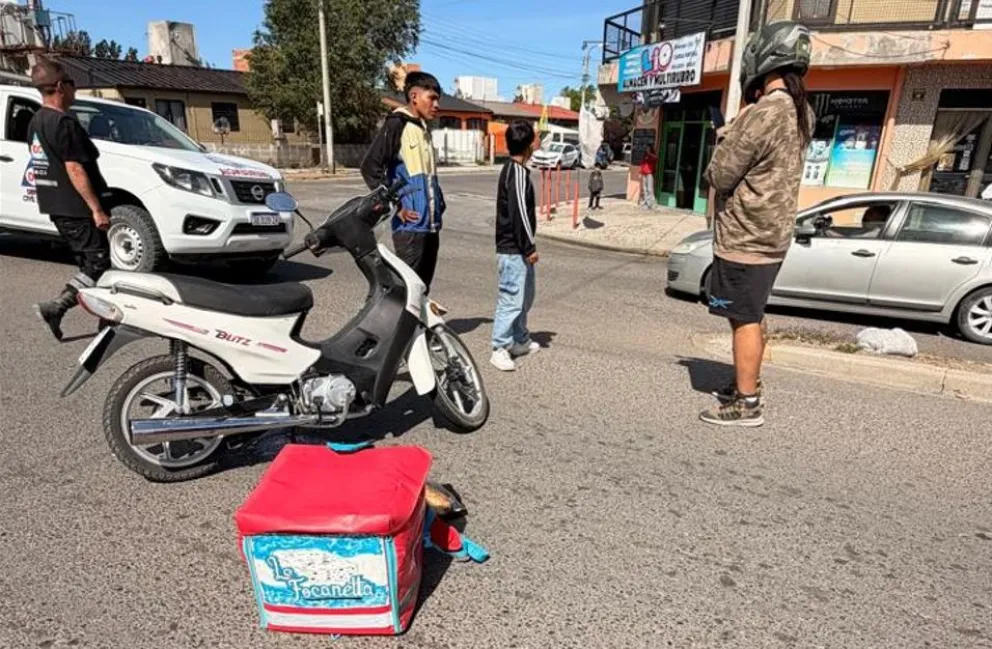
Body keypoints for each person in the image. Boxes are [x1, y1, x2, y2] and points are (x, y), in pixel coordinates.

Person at [700, 21, 815, 427]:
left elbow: (720, 175)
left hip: (745, 235)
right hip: (772, 234)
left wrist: (729, 132)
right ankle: (749, 382)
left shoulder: (765, 112)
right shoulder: (802, 111)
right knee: (753, 314)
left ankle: (746, 402)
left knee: (743, 319)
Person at [29, 57, 113, 341]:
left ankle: (106, 319)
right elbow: (74, 168)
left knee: (89, 264)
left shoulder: (35, 121)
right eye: (72, 84)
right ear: (61, 86)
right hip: (77, 209)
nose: (75, 90)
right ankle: (57, 308)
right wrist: (97, 209)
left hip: (57, 206)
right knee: (99, 262)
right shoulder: (62, 122)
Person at [361, 71, 446, 292]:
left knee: (422, 289)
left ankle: (416, 327)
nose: (436, 104)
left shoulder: (423, 129)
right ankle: (390, 326)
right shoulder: (397, 124)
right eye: (432, 98)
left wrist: (440, 203)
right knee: (405, 289)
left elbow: (428, 178)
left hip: (431, 226)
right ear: (414, 96)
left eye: (438, 99)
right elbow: (370, 167)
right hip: (411, 228)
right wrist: (396, 205)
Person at [490, 120, 540, 372]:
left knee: (525, 296)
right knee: (511, 298)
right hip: (514, 249)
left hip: (517, 248)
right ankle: (499, 347)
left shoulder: (515, 171)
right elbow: (519, 213)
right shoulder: (517, 173)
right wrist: (529, 248)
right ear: (529, 145)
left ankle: (519, 339)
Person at [639, 144, 658, 210]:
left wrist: (650, 154)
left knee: (650, 189)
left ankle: (651, 204)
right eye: (646, 148)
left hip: (649, 173)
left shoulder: (652, 156)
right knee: (644, 189)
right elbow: (642, 164)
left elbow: (656, 158)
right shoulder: (645, 156)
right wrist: (640, 172)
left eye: (648, 148)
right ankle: (646, 203)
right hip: (644, 173)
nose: (647, 150)